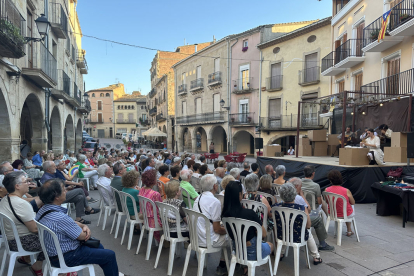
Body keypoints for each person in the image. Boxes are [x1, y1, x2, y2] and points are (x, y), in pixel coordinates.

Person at [36, 179, 119, 276]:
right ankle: (112, 271)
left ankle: (112, 271)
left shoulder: (43, 211)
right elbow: (83, 236)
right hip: (67, 256)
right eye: (63, 190)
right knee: (110, 255)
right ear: (57, 196)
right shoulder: (60, 217)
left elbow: (72, 222)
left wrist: (83, 225)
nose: (66, 191)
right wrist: (86, 228)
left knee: (98, 246)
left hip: (53, 254)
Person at [0, 171, 45, 276]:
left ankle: (29, 261)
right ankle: (39, 266)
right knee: (56, 239)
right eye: (25, 182)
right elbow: (34, 229)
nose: (28, 183)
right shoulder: (21, 203)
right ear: (17, 186)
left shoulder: (5, 199)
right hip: (22, 242)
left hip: (11, 240)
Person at [222, 181, 273, 269]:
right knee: (270, 245)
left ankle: (246, 269)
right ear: (239, 195)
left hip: (237, 250)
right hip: (253, 251)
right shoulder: (249, 213)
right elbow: (263, 234)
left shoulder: (224, 214)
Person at [274, 183, 322, 264]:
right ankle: (316, 256)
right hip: (298, 237)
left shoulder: (276, 207)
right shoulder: (302, 208)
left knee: (286, 228)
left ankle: (281, 253)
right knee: (308, 232)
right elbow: (308, 225)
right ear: (294, 195)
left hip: (281, 235)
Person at [193, 174, 229, 275]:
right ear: (214, 186)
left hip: (196, 238)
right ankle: (224, 265)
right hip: (208, 240)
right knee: (231, 237)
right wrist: (227, 230)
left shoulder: (198, 198)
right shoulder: (215, 201)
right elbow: (217, 229)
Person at [289, 177, 334, 251]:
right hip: (298, 221)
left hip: (286, 222)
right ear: (296, 186)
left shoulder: (281, 197)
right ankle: (323, 244)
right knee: (318, 219)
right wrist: (302, 196)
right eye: (300, 187)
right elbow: (309, 210)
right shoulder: (298, 198)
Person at [325, 170, 356, 237]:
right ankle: (349, 230)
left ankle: (349, 230)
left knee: (343, 208)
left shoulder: (326, 190)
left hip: (332, 213)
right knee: (349, 208)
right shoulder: (346, 191)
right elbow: (353, 202)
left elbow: (327, 201)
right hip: (345, 214)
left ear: (330, 180)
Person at [139, 169, 164, 242]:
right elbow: (161, 207)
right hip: (155, 221)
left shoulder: (142, 189)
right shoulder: (155, 194)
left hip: (145, 219)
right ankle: (165, 241)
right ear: (153, 180)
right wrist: (161, 191)